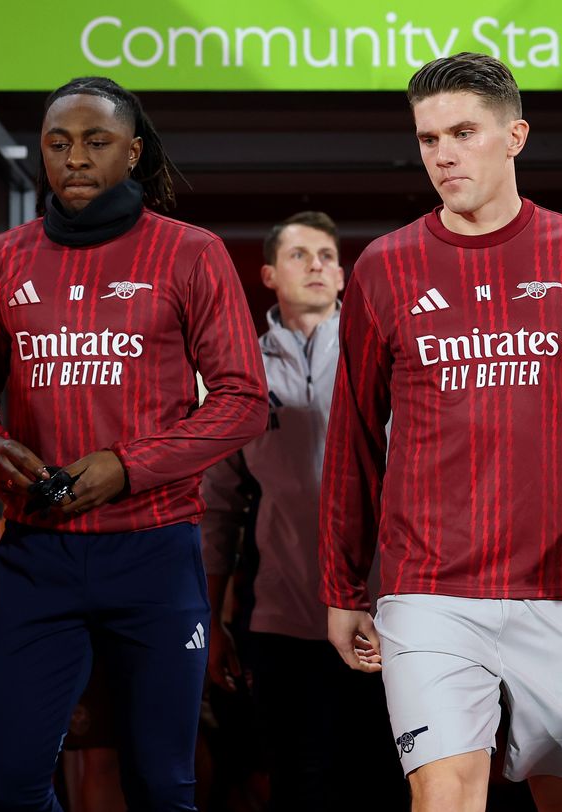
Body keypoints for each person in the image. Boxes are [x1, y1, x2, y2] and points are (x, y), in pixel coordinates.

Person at [318, 52, 562, 812]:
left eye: (463, 133)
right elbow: (353, 437)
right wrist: (341, 584)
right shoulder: (384, 268)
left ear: (515, 136)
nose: (443, 155)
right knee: (444, 796)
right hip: (427, 590)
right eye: (429, 139)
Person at [0, 76, 267, 811]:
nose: (76, 159)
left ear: (134, 152)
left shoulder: (191, 253)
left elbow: (244, 401)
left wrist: (126, 467)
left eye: (97, 142)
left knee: (160, 785)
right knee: (7, 785)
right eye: (58, 144)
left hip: (155, 553)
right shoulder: (0, 259)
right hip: (37, 555)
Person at [200, 211, 407, 811]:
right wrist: (211, 621)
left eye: (327, 256)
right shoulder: (238, 371)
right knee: (299, 785)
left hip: (388, 613)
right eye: (299, 255)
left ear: (342, 277)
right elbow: (216, 508)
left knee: (385, 782)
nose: (316, 265)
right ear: (268, 274)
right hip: (283, 619)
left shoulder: (388, 353)